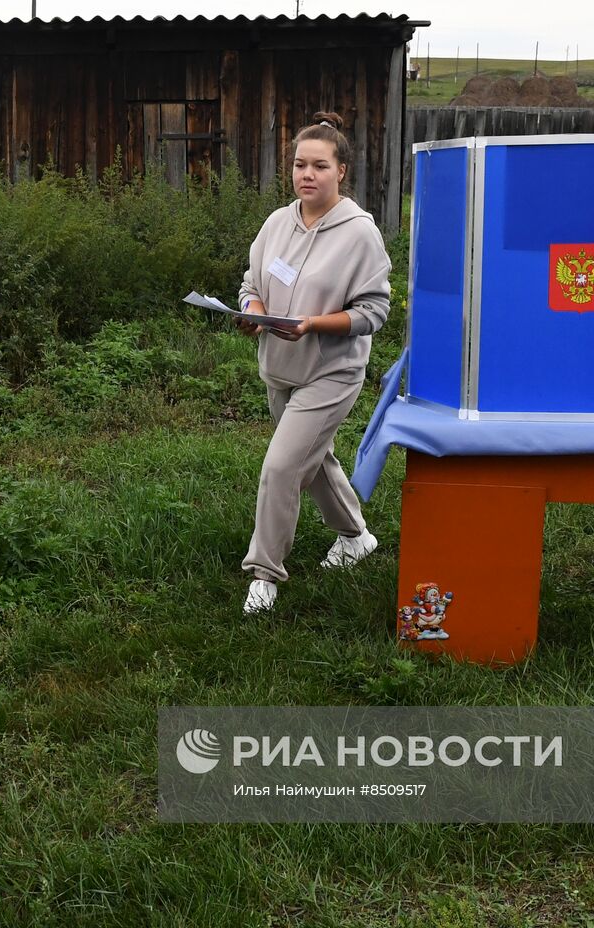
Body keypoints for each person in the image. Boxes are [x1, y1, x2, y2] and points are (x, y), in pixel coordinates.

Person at [235, 110, 392, 614]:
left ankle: (264, 574)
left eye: (319, 166)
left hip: (332, 370)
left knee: (282, 466)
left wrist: (311, 324)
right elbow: (252, 284)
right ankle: (355, 537)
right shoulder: (277, 222)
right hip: (279, 365)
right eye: (300, 164)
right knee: (313, 458)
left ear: (341, 171)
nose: (307, 174)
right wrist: (253, 312)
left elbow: (374, 312)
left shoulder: (360, 233)